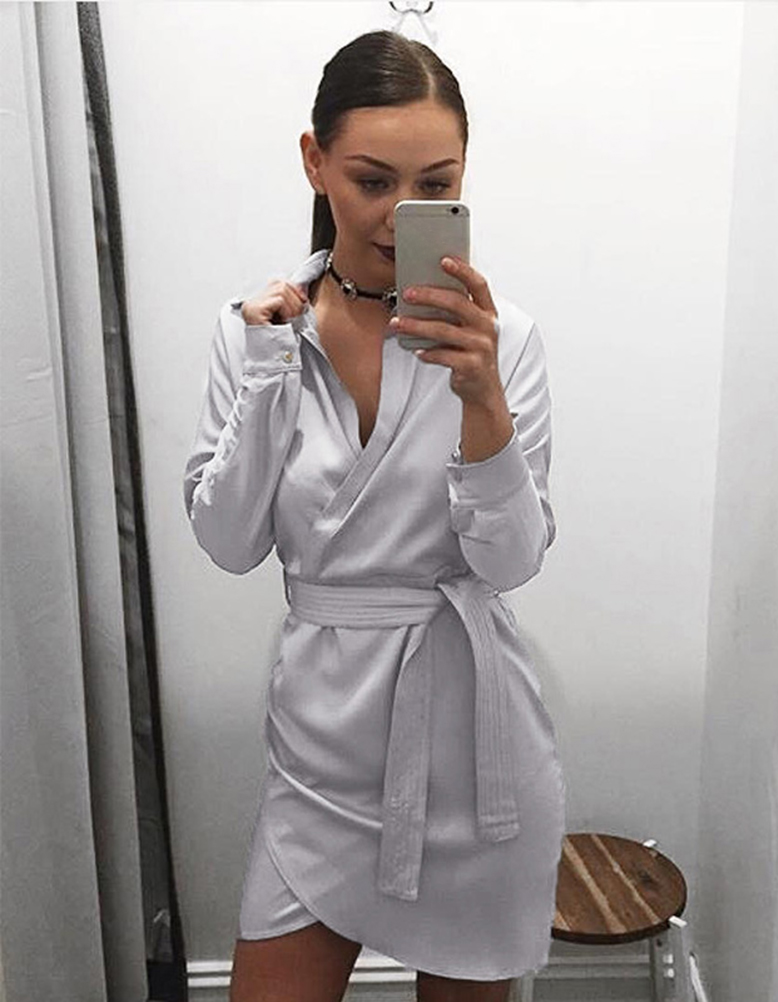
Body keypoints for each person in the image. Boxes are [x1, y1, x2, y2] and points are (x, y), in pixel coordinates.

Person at [182, 29, 566, 1002]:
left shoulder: (505, 341)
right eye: (371, 181)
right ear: (315, 161)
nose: (400, 214)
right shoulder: (261, 333)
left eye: (435, 184)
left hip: (474, 759)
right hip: (320, 754)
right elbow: (229, 542)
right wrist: (268, 375)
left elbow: (512, 562)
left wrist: (483, 400)